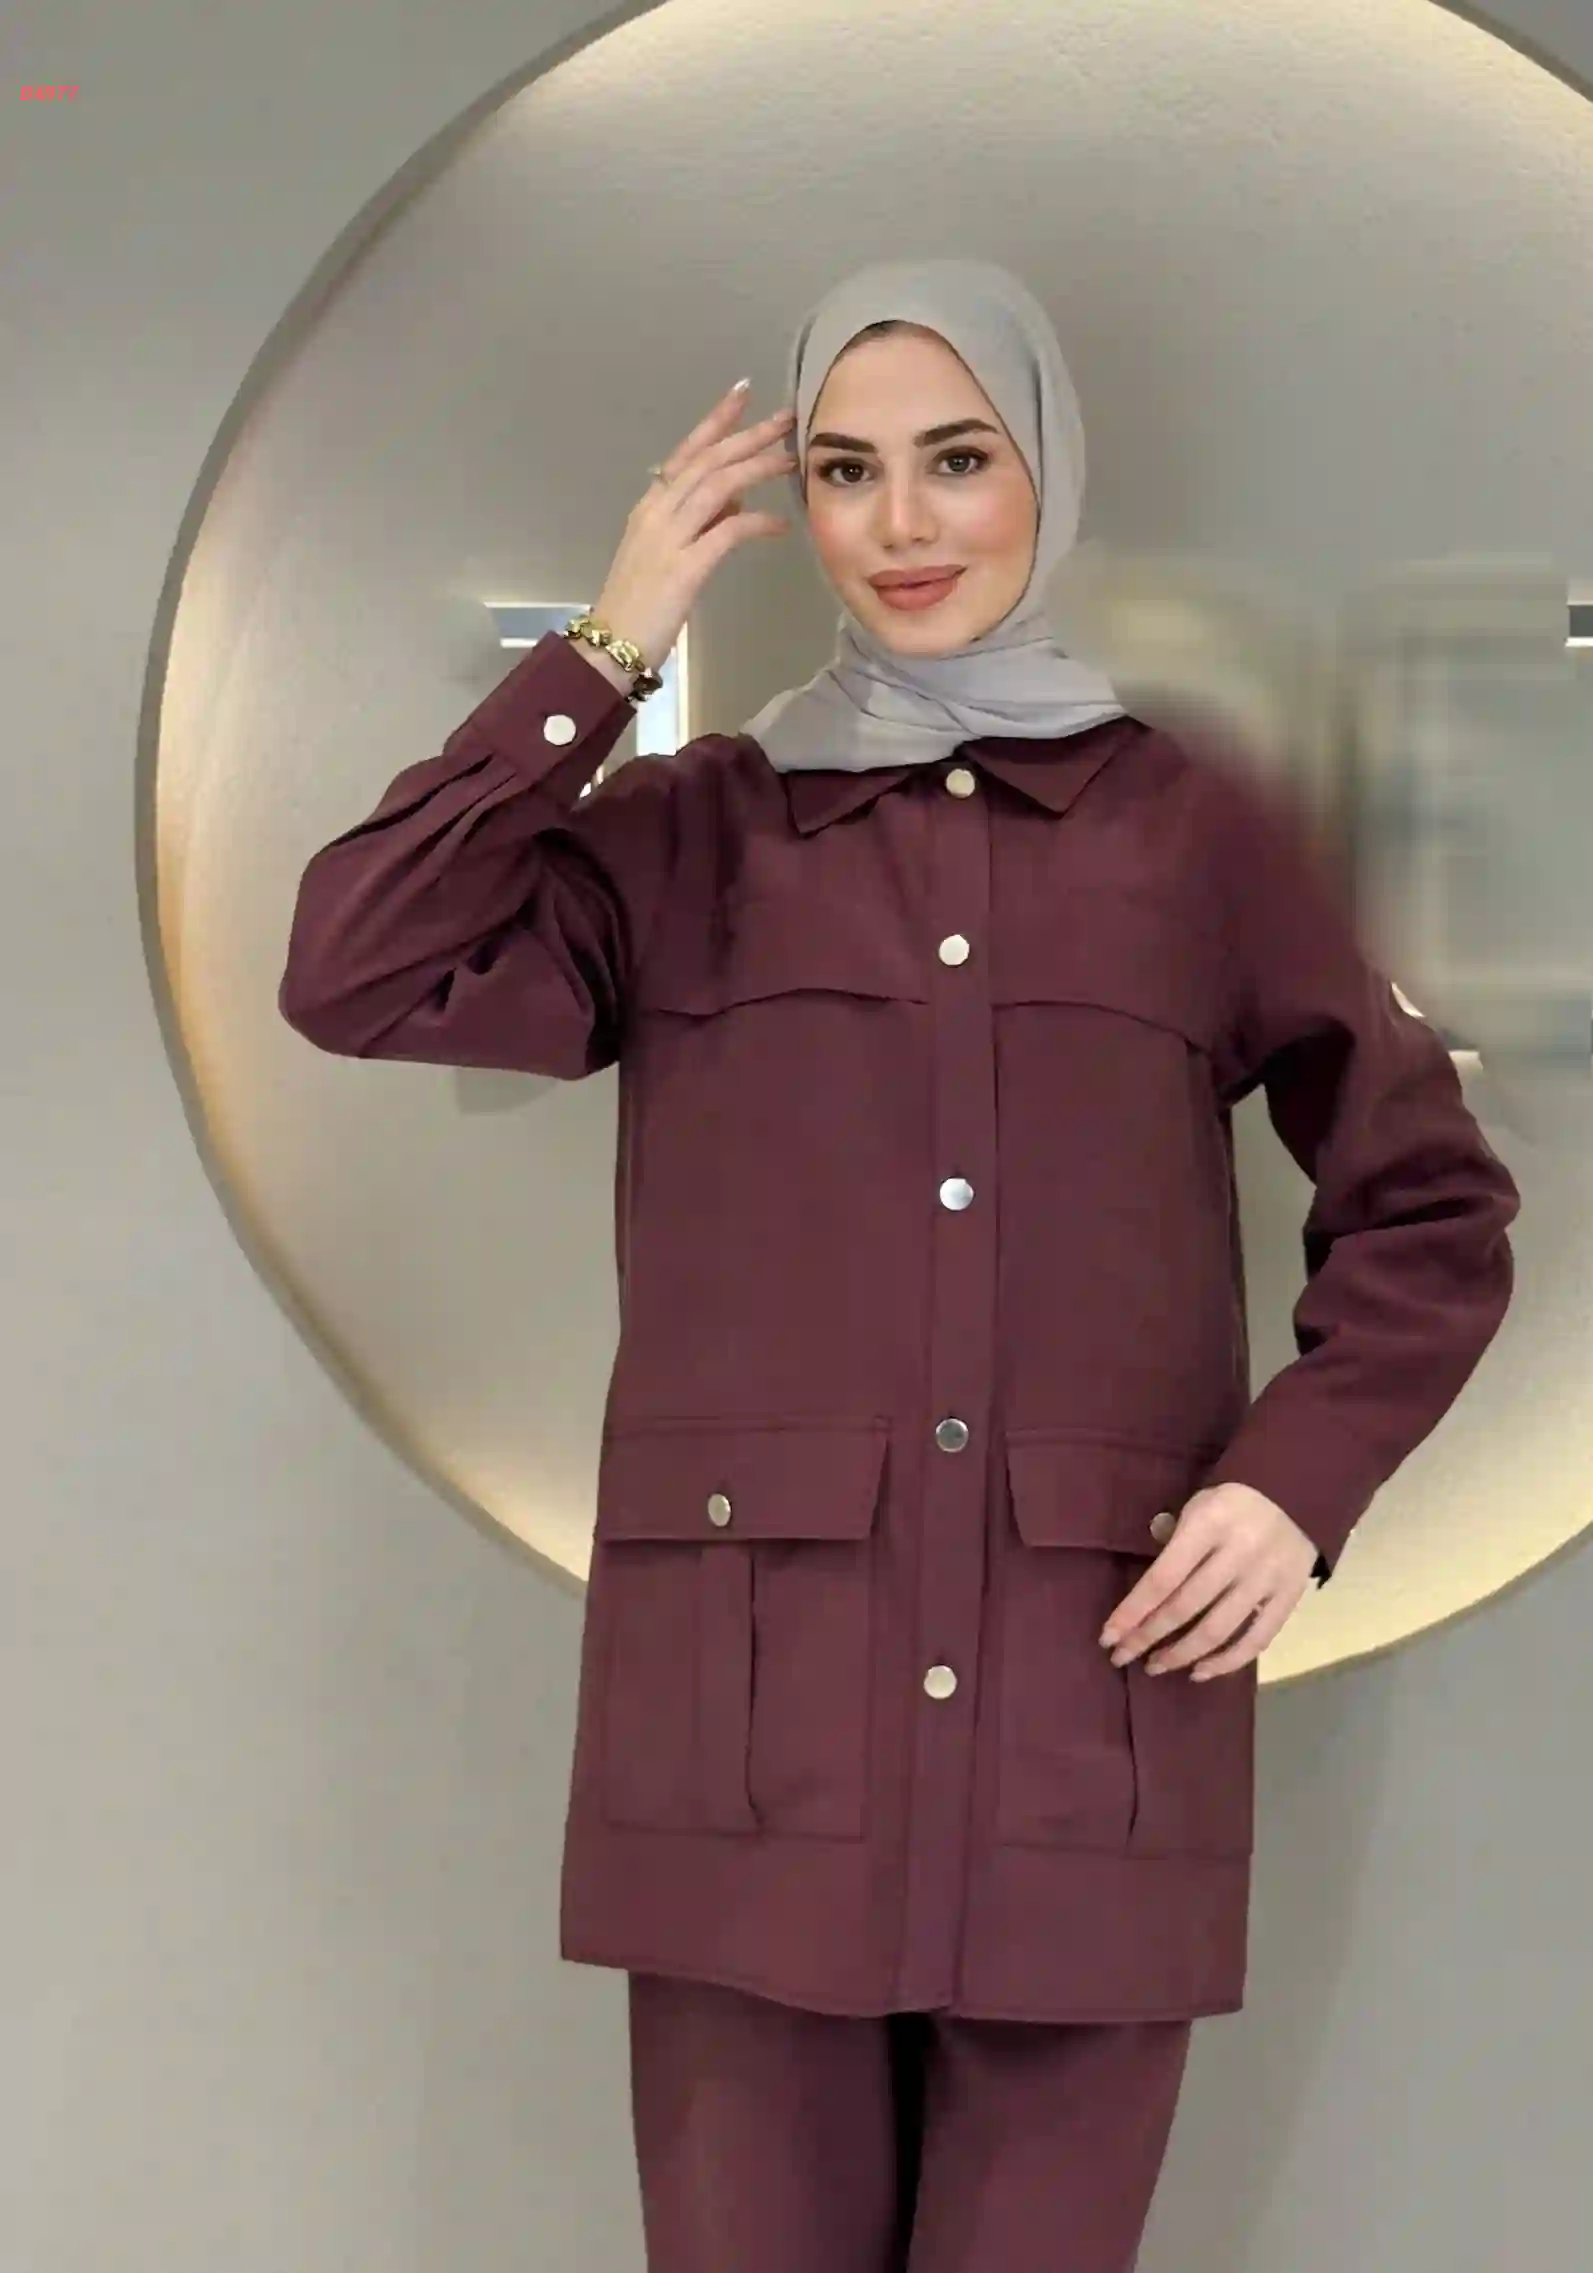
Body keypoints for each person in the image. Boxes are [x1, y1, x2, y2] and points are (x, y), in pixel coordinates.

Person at [278, 259, 1520, 2272]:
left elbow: (1429, 1205)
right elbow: (354, 964)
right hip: (746, 1763)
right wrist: (610, 642)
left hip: (1087, 1737)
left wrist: (1297, 1485)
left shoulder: (1199, 836)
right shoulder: (687, 836)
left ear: (1046, 472)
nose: (902, 521)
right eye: (846, 471)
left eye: (958, 458)